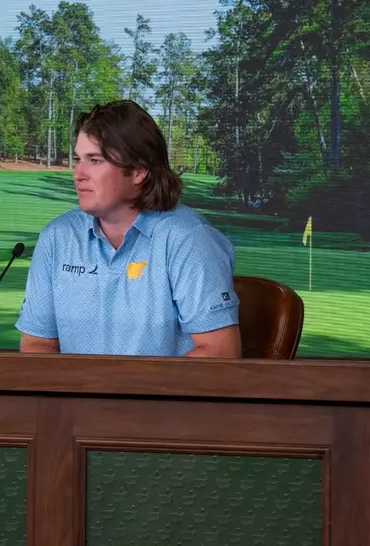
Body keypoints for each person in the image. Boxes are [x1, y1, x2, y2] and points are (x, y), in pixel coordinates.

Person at [16, 100, 240, 357]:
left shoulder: (188, 238)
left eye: (95, 160)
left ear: (138, 171)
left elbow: (220, 352)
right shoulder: (57, 237)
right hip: (77, 397)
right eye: (78, 159)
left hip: (159, 397)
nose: (78, 173)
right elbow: (38, 345)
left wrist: (126, 393)